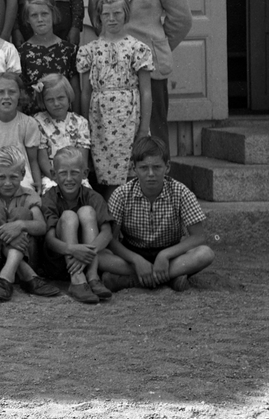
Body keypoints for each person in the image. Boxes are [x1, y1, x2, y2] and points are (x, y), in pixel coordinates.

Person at [88, 0, 192, 148]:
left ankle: (159, 174)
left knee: (152, 137)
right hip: (111, 68)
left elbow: (181, 19)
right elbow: (96, 17)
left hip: (149, 64)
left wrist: (155, 46)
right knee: (114, 137)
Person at [99, 136, 216, 292]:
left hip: (171, 255)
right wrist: (136, 260)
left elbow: (198, 237)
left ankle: (136, 280)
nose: (151, 173)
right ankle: (169, 278)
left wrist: (165, 255)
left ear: (167, 167)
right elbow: (111, 240)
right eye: (143, 168)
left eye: (157, 167)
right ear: (134, 168)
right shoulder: (121, 194)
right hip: (132, 256)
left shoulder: (181, 192)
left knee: (205, 254)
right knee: (99, 256)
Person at [77, 0, 154, 195]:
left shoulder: (137, 48)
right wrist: (85, 125)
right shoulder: (89, 50)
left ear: (126, 14)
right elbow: (85, 92)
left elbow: (146, 91)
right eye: (106, 14)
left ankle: (131, 211)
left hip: (129, 119)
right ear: (99, 16)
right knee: (106, 174)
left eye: (117, 13)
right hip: (100, 120)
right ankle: (112, 212)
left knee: (131, 171)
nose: (112, 19)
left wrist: (143, 128)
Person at [0, 146, 59, 302]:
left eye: (13, 177)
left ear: (23, 174)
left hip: (28, 256)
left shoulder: (29, 195)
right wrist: (5, 233)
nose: (7, 183)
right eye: (1, 177)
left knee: (21, 213)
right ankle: (28, 276)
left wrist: (20, 225)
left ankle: (5, 279)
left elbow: (41, 226)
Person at [37, 147, 114, 305]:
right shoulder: (49, 198)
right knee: (68, 216)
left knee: (87, 211)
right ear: (53, 175)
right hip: (59, 260)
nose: (69, 179)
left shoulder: (93, 197)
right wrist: (71, 249)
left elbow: (107, 233)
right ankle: (77, 280)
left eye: (74, 173)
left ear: (84, 174)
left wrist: (86, 253)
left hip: (88, 259)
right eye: (63, 173)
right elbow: (49, 239)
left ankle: (92, 277)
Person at [0, 72, 44, 191]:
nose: (6, 96)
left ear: (20, 94)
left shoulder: (28, 123)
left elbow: (33, 160)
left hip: (22, 181)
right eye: (1, 92)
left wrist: (38, 183)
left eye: (12, 92)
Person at [18, 0, 79, 115]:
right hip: (33, 121)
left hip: (64, 120)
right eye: (34, 15)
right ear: (28, 19)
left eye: (44, 14)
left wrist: (77, 118)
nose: (40, 19)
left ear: (53, 14)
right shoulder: (22, 53)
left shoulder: (68, 50)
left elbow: (75, 90)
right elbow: (20, 93)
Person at [33, 74, 91, 191]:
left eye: (60, 98)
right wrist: (56, 178)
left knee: (87, 196)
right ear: (43, 101)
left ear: (68, 97)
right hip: (51, 176)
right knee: (51, 195)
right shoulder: (37, 122)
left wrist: (72, 179)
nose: (56, 103)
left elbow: (82, 160)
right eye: (50, 100)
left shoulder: (80, 122)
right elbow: (42, 159)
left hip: (76, 176)